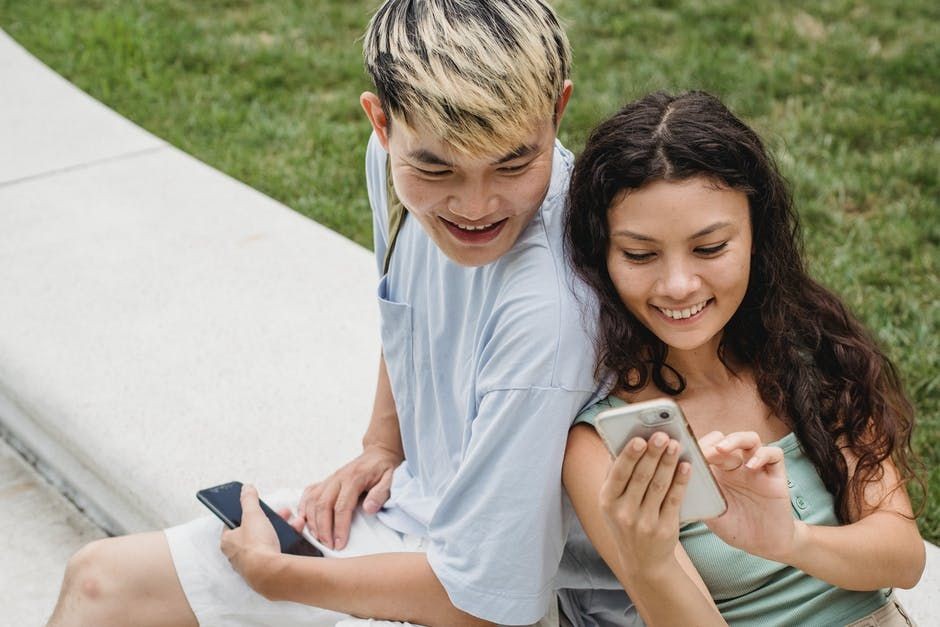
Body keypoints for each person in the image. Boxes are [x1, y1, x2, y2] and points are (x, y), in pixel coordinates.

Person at [47, 2, 602, 626]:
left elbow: (485, 603)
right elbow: (407, 307)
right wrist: (382, 443)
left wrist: (281, 576)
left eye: (511, 164)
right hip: (419, 524)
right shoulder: (389, 169)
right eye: (436, 168)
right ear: (382, 124)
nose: (475, 207)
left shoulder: (553, 312)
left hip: (503, 594)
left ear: (557, 111)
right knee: (97, 581)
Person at [558, 91, 925, 626]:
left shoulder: (812, 353)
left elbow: (904, 557)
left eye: (709, 248)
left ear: (757, 235)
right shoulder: (600, 442)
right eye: (640, 254)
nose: (678, 285)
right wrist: (651, 562)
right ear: (602, 255)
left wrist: (789, 540)